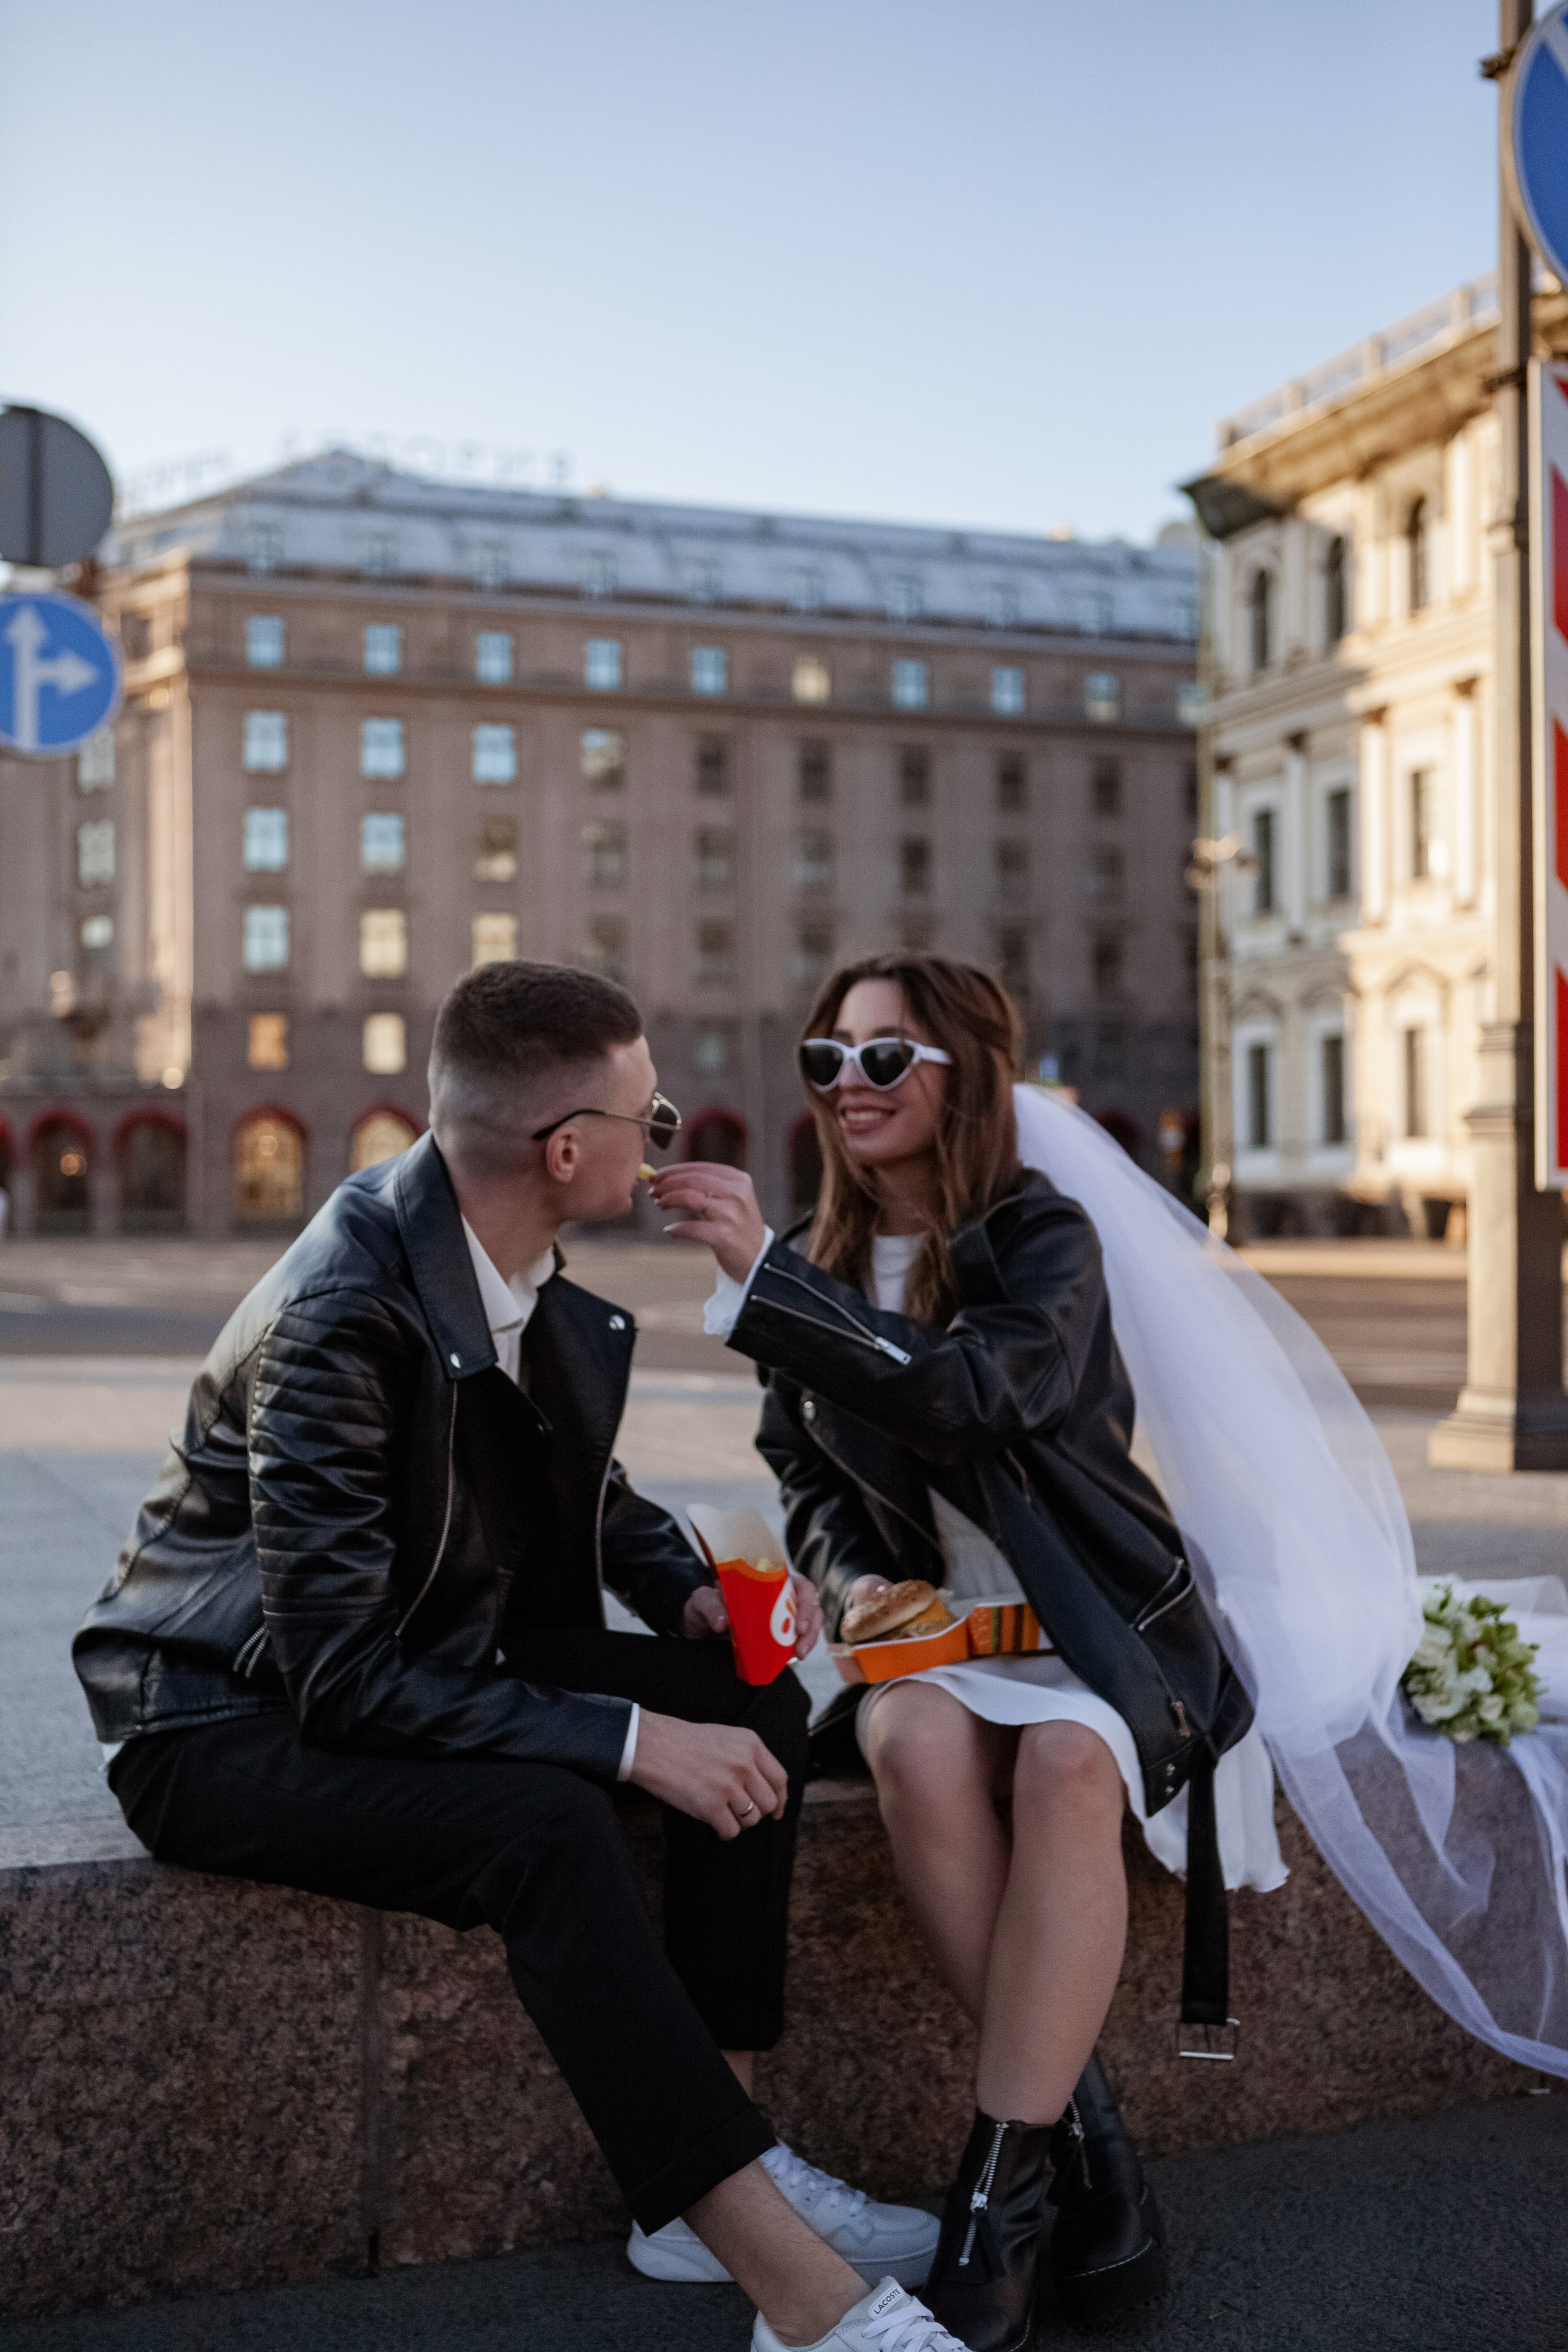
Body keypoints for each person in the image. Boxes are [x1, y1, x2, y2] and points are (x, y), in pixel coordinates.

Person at [72, 960, 963, 2352]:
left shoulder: (498, 1256)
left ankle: (703, 2186)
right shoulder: (341, 1319)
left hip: (417, 1651)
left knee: (749, 1691)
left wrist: (687, 1602)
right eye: (646, 1114)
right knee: (549, 1824)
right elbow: (339, 1678)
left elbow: (585, 1493)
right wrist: (625, 1741)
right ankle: (806, 2306)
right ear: (567, 1149)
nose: (661, 1137)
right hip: (219, 1718)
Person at [650, 954, 1262, 2352]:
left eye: (883, 1058)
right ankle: (1082, 2145)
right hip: (943, 1644)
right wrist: (856, 1574)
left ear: (962, 1077)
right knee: (908, 1737)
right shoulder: (812, 1261)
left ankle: (992, 2198)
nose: (846, 1087)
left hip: (1095, 1631)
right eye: (827, 1059)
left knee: (1061, 1768)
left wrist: (759, 1276)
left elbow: (971, 1395)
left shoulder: (1038, 1239)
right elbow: (797, 1464)